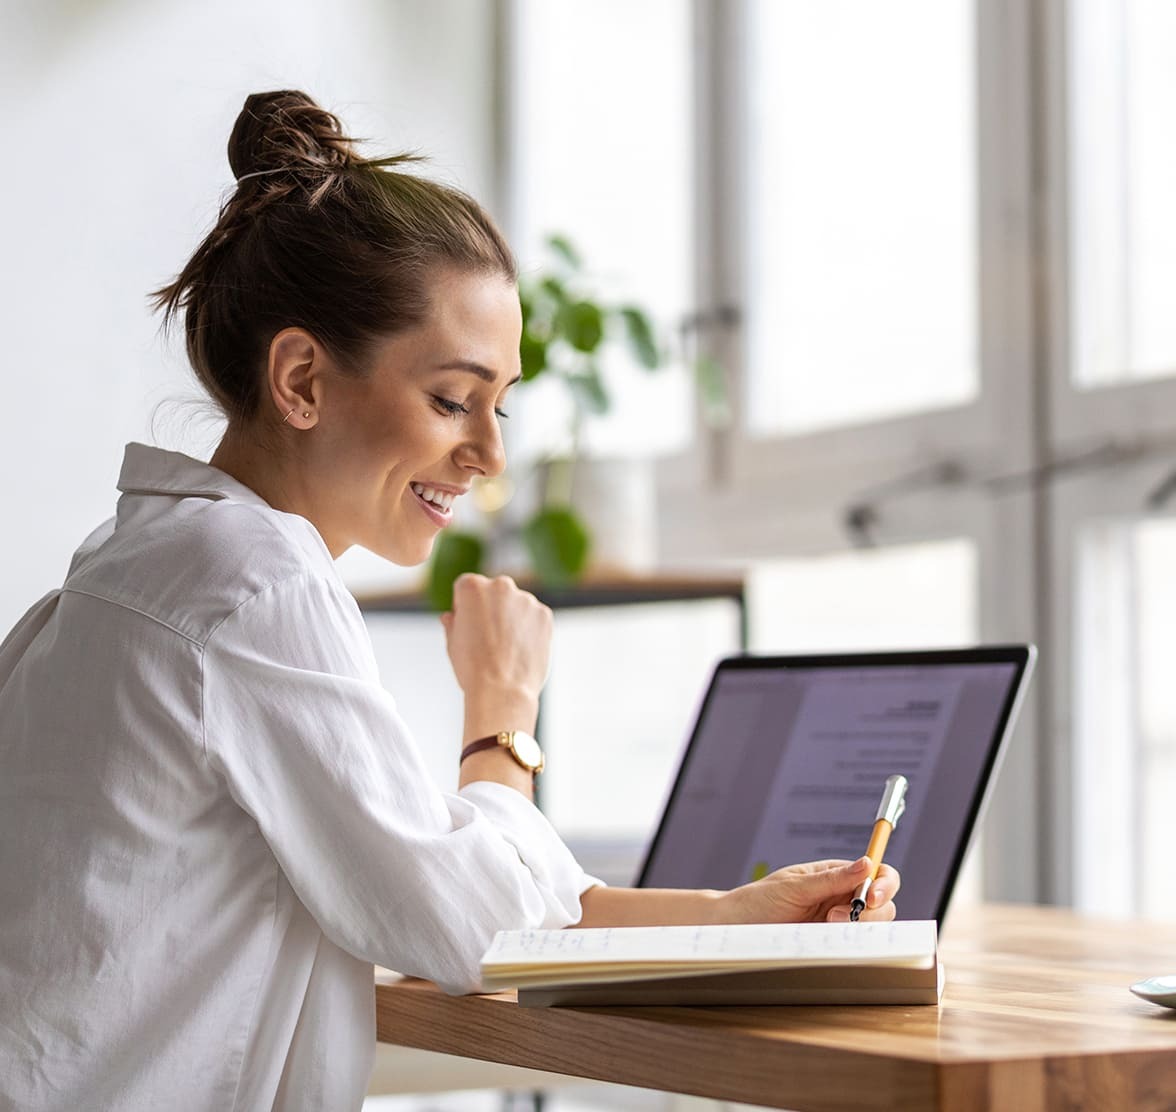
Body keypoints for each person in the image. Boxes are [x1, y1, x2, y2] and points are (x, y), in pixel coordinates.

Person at [0, 90, 900, 1111]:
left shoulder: (138, 565)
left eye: (500, 404)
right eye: (450, 399)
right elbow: (473, 925)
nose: (488, 453)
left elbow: (449, 877)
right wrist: (502, 717)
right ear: (300, 378)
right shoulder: (252, 588)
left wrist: (736, 915)